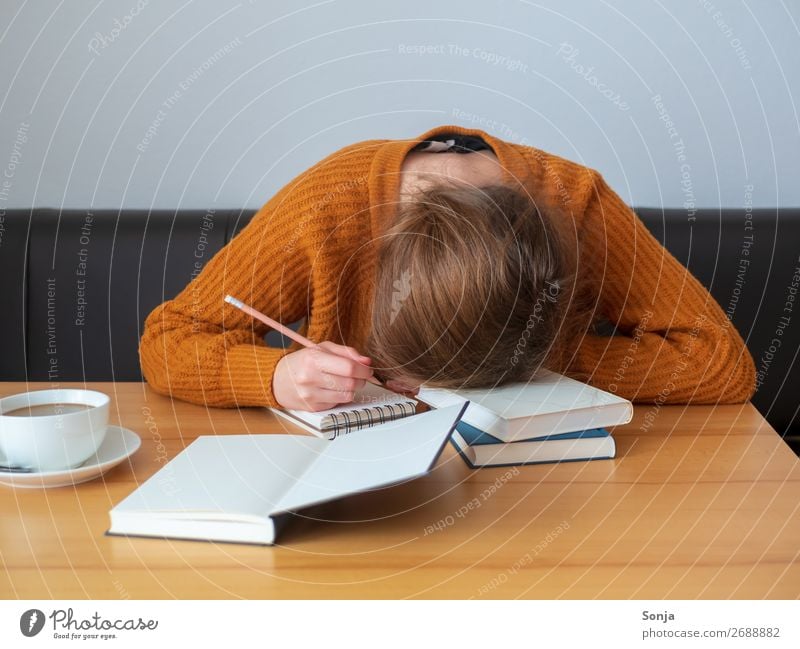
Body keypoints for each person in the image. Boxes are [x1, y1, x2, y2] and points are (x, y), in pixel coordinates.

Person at [139, 125, 756, 412]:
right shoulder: (327, 207)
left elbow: (719, 363)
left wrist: (536, 361)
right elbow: (169, 339)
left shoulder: (578, 205)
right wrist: (276, 375)